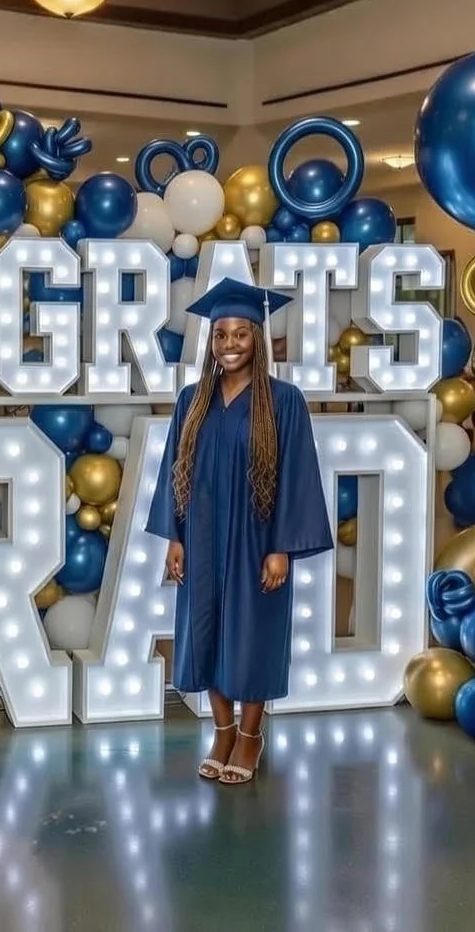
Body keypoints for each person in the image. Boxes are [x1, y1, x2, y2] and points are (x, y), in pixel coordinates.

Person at [146, 277, 333, 785]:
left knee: (252, 638)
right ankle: (222, 730)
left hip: (257, 540)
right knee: (204, 635)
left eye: (240, 335)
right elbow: (174, 471)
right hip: (203, 538)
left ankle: (250, 736)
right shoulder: (193, 400)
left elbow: (298, 474)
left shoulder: (284, 401)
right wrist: (176, 537)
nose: (229, 345)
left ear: (259, 341)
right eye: (220, 335)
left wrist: (281, 549)